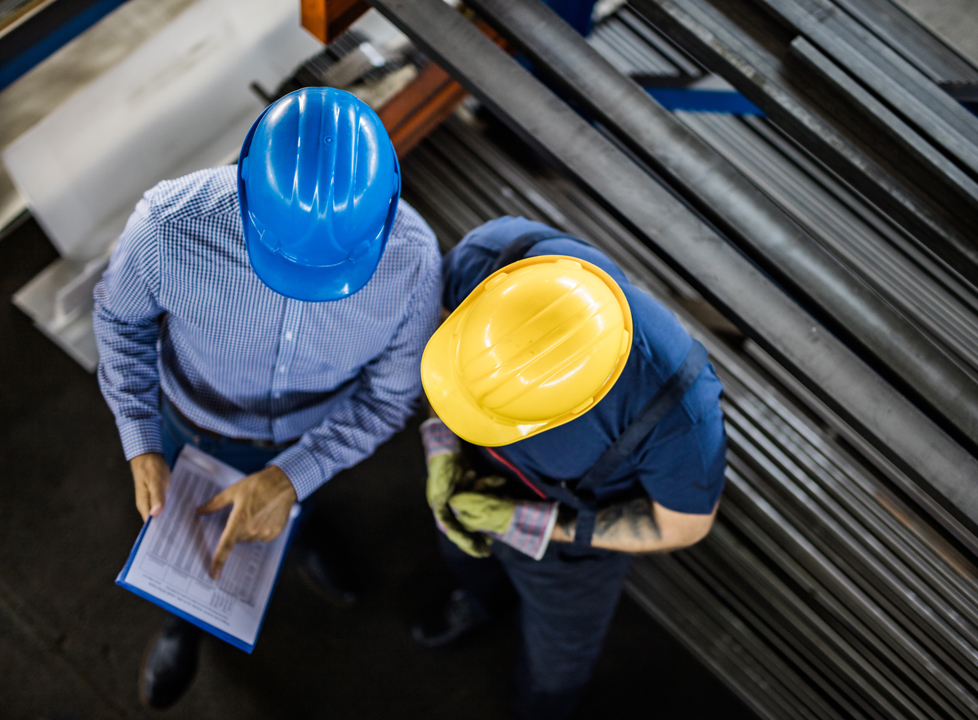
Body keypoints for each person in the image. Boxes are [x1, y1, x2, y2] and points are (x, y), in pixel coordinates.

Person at [93, 87, 441, 709]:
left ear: (387, 210)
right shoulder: (169, 226)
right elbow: (120, 323)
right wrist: (140, 435)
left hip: (313, 436)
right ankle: (184, 620)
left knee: (291, 506)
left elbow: (389, 399)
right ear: (246, 189)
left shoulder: (413, 263)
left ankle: (299, 529)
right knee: (191, 540)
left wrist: (292, 477)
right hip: (189, 424)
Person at [413, 217, 727, 719]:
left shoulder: (677, 412)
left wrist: (533, 525)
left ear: (570, 410)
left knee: (556, 661)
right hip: (469, 476)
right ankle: (478, 601)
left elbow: (683, 524)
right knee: (465, 559)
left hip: (568, 543)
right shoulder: (493, 257)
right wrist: (444, 447)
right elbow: (442, 347)